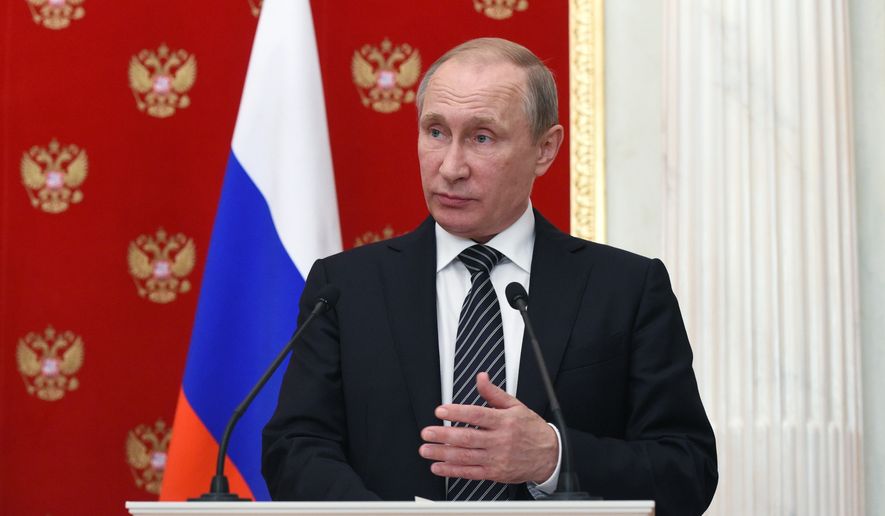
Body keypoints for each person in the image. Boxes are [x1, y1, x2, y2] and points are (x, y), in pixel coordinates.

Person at [262, 37, 718, 515]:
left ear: (545, 149)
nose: (451, 167)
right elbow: (294, 448)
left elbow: (688, 469)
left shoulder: (626, 289)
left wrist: (553, 457)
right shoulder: (344, 288)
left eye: (482, 138)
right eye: (436, 132)